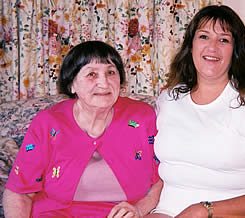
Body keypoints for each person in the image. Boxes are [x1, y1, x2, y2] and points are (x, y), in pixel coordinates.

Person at [146, 5, 245, 218]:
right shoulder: (169, 99)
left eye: (223, 40)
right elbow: (159, 171)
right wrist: (141, 207)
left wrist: (204, 209)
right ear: (191, 45)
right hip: (167, 212)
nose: (212, 47)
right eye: (204, 36)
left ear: (236, 50)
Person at [3, 40, 162, 217]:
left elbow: (166, 174)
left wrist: (140, 209)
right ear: (72, 85)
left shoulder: (142, 117)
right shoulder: (49, 123)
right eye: (92, 74)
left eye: (110, 72)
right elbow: (20, 190)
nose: (104, 82)